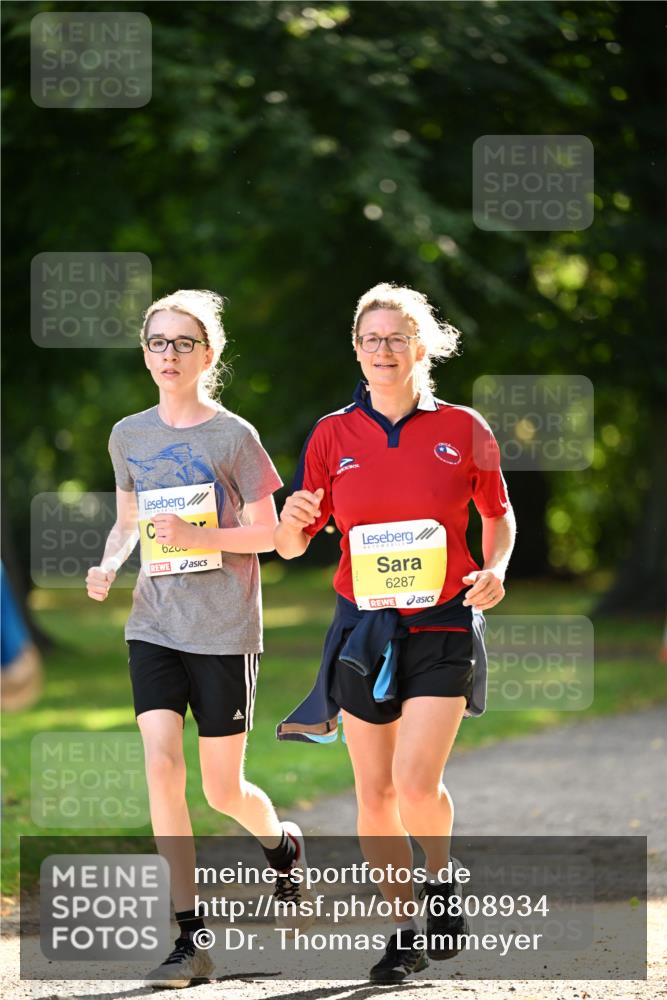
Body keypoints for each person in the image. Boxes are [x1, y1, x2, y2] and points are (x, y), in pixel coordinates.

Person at [275, 282, 515, 984]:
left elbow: (496, 514)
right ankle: (402, 929)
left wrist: (494, 567)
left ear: (422, 345)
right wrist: (290, 523)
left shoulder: (464, 427)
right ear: (356, 347)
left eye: (397, 337)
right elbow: (293, 545)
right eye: (371, 339)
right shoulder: (331, 434)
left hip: (442, 618)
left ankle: (439, 881)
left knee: (414, 784)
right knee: (373, 794)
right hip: (362, 630)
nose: (383, 350)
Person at [86, 289, 311, 989]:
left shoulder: (233, 437)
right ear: (144, 352)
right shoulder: (128, 433)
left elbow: (273, 536)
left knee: (221, 790)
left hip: (222, 628)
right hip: (153, 622)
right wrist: (107, 561)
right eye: (157, 342)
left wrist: (200, 536)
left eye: (183, 343)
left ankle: (281, 844)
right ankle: (189, 937)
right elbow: (129, 520)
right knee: (161, 767)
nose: (168, 355)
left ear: (207, 355)